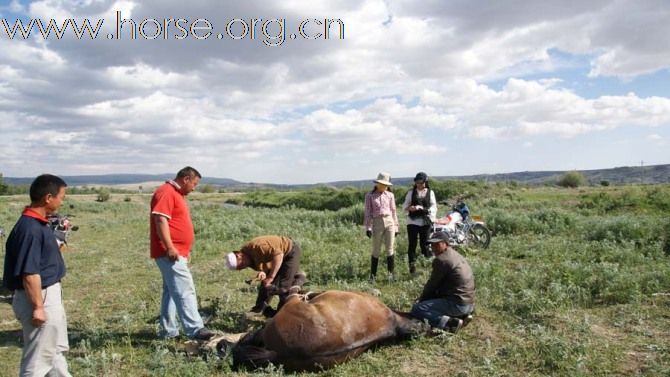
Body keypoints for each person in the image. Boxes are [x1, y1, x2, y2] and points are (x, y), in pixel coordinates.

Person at [3, 174, 72, 376]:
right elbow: (30, 273)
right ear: (48, 198)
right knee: (36, 363)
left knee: (55, 354)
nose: (63, 200)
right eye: (61, 196)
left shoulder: (37, 224)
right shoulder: (30, 229)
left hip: (47, 296)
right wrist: (38, 308)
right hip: (39, 298)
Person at [150, 166, 213, 340]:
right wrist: (170, 247)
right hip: (169, 252)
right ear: (185, 179)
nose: (194, 187)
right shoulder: (166, 192)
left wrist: (184, 250)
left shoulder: (175, 194)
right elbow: (160, 219)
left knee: (171, 292)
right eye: (194, 183)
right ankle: (195, 329)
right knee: (185, 289)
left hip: (176, 252)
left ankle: (168, 331)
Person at [410, 231, 475, 332]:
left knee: (418, 309)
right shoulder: (455, 254)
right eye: (432, 245)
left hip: (459, 304)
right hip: (469, 303)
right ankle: (462, 316)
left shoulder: (441, 260)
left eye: (437, 244)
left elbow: (432, 285)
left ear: (446, 243)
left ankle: (450, 323)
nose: (434, 247)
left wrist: (421, 301)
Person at [225, 235, 302, 317]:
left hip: (290, 252)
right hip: (278, 258)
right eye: (239, 268)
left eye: (241, 265)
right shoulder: (247, 258)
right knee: (265, 284)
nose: (242, 268)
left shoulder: (257, 247)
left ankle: (282, 315)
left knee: (283, 287)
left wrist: (271, 277)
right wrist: (264, 272)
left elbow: (279, 255)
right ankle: (261, 309)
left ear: (239, 256)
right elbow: (266, 259)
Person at [363, 172, 399, 282]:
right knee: (376, 250)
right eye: (382, 184)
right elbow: (368, 212)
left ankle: (390, 275)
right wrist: (368, 227)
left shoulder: (390, 195)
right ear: (377, 183)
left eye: (386, 185)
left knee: (390, 249)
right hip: (377, 222)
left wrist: (396, 226)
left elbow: (393, 211)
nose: (384, 186)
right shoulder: (369, 195)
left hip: (389, 222)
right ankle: (373, 276)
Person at [402, 172, 437, 274]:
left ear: (425, 182)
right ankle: (412, 267)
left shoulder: (431, 193)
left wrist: (428, 211)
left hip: (425, 221)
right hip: (412, 221)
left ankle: (426, 266)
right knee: (412, 244)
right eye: (417, 182)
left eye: (421, 182)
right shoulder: (410, 193)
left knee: (425, 244)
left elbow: (434, 206)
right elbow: (404, 206)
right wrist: (410, 208)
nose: (419, 184)